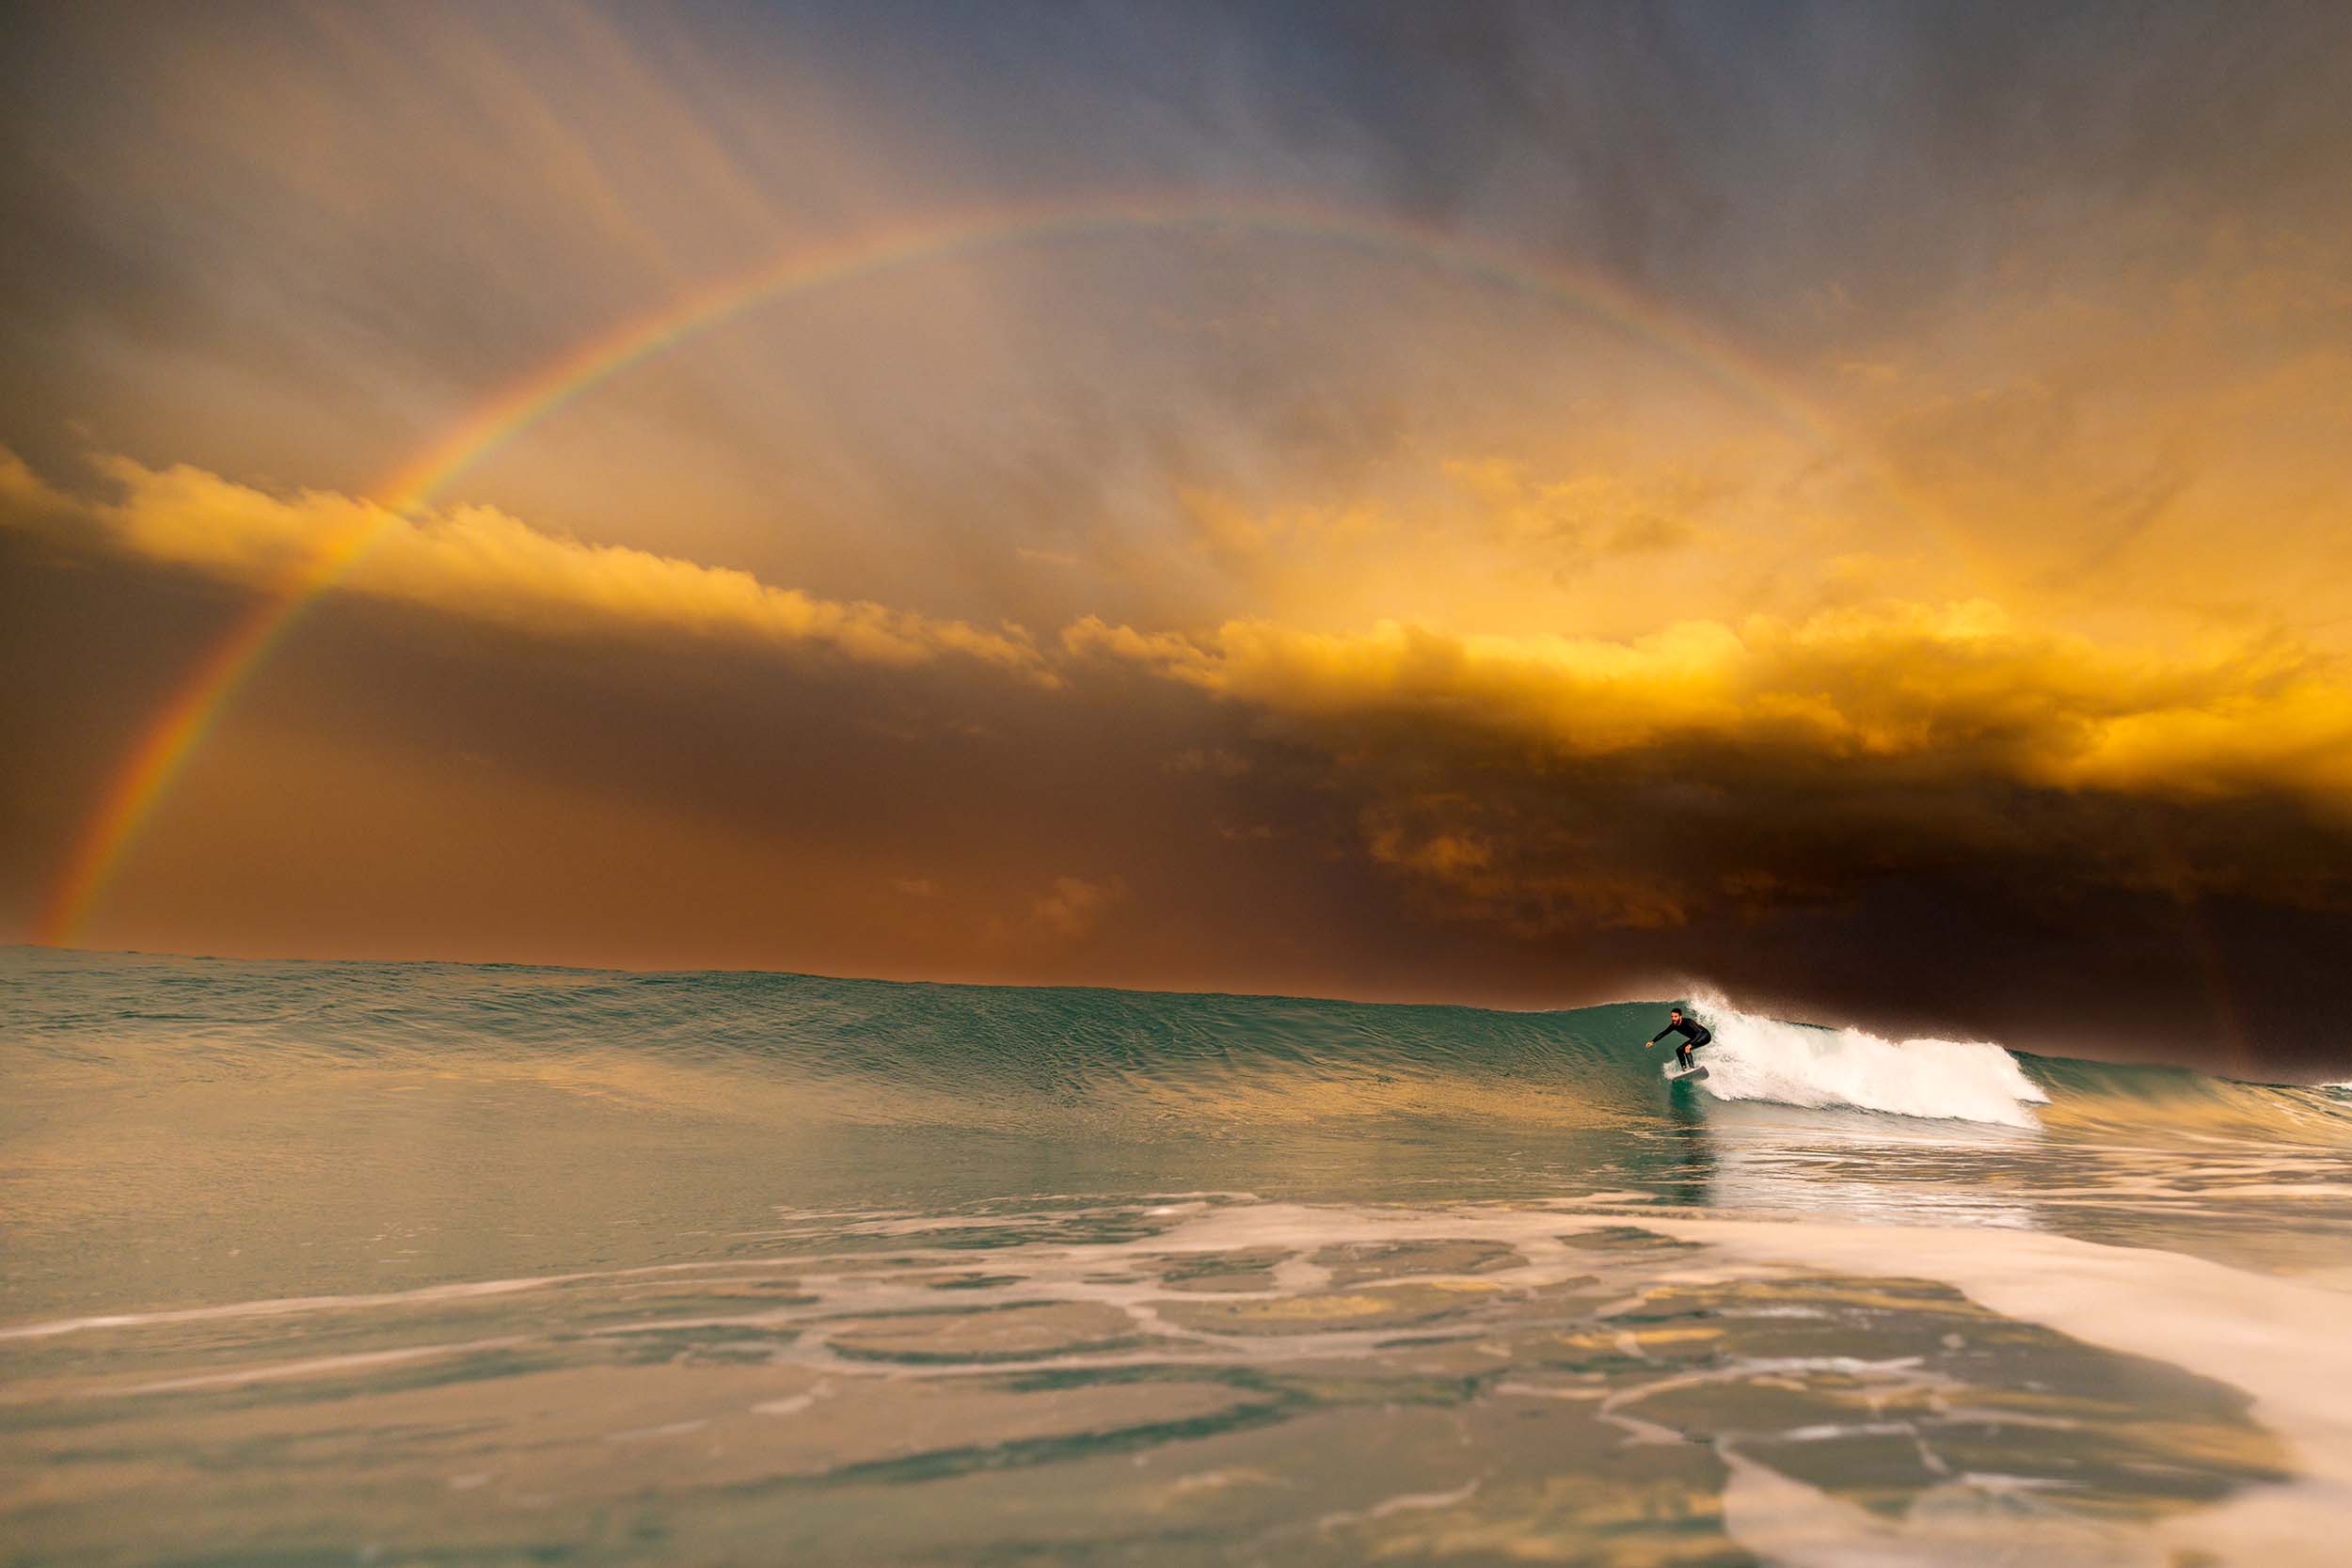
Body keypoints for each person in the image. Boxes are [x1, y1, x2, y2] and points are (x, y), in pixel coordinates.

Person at [1645, 1006, 1711, 1070]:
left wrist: (1690, 1044)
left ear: (1680, 1016)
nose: (1673, 1018)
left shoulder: (1688, 1022)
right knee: (1679, 1050)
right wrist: (1652, 1041)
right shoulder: (1674, 1025)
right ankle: (1684, 1069)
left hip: (1704, 1035)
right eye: (1672, 1016)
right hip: (1695, 1038)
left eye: (1675, 1016)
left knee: (1687, 1048)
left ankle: (1692, 1068)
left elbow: (1699, 1032)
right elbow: (1664, 1033)